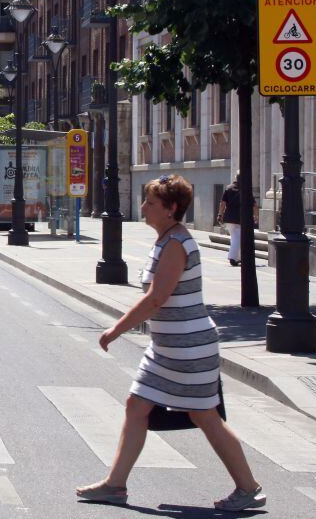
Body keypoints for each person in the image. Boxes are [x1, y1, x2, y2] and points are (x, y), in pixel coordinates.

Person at [76, 174, 264, 512]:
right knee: (137, 406)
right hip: (168, 348)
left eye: (151, 202)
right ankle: (115, 485)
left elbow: (156, 299)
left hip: (188, 348)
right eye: (146, 200)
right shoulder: (167, 239)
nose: (144, 207)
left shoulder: (177, 243)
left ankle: (248, 487)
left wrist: (114, 331)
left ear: (171, 208)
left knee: (205, 416)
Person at [216, 175, 258, 267]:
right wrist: (256, 216)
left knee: (235, 237)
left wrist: (220, 214)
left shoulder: (228, 188)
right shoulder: (246, 189)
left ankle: (238, 257)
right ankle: (233, 257)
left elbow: (222, 203)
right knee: (237, 238)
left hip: (230, 218)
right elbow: (254, 204)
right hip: (242, 218)